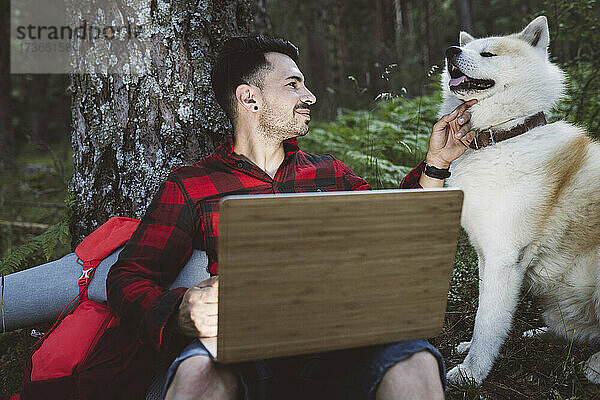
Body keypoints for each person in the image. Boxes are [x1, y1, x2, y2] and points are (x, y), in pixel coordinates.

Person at [107, 36, 476, 400]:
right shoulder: (192, 185)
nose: (310, 96)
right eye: (293, 84)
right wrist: (179, 313)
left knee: (416, 363)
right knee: (196, 373)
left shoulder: (329, 173)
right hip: (244, 349)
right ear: (249, 97)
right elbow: (128, 277)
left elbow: (400, 231)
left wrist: (437, 163)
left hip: (344, 343)